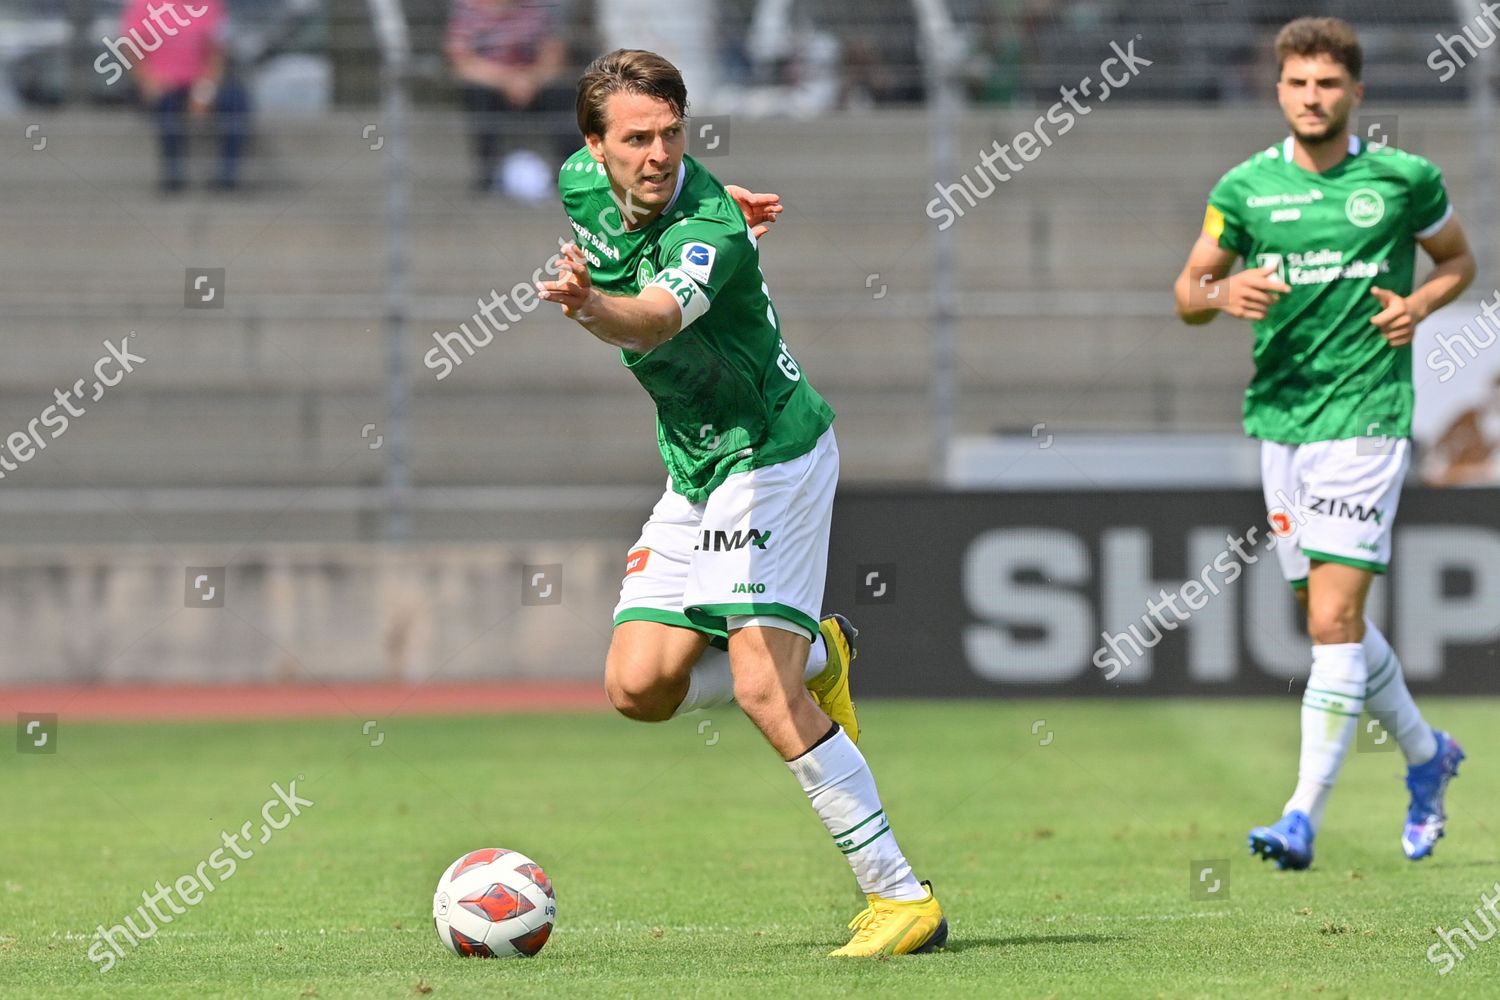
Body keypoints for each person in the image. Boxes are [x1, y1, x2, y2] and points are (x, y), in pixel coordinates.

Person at [537, 48, 946, 956]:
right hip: (695, 464)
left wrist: (589, 304)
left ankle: (902, 896)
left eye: (673, 135)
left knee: (758, 687)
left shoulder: (708, 232)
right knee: (638, 688)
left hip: (773, 451)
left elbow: (650, 315)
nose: (658, 154)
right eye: (637, 138)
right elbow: (654, 216)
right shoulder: (577, 182)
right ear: (593, 147)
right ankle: (817, 655)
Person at [1173, 17, 1476, 869]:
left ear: (1356, 94)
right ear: (1279, 91)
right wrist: (1221, 291)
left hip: (1369, 415)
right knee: (1326, 617)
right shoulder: (1244, 190)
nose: (1314, 98)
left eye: (1329, 85)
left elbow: (1457, 261)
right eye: (1299, 84)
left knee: (1336, 619)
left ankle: (1301, 815)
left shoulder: (1403, 179)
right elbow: (1187, 290)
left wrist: (1422, 304)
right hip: (1282, 423)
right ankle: (1427, 755)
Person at [446, 0, 574, 198]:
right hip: (491, 86)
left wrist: (532, 79)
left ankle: (571, 174)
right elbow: (461, 61)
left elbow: (553, 53)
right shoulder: (468, 8)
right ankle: (487, 176)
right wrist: (507, 81)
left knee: (562, 93)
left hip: (532, 83)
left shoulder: (537, 7)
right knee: (478, 96)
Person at [121, 0, 250, 193]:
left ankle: (227, 175)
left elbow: (217, 53)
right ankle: (173, 175)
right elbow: (132, 49)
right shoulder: (142, 5)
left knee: (237, 101)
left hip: (199, 82)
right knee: (166, 105)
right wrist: (148, 82)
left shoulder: (211, 5)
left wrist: (203, 92)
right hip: (161, 84)